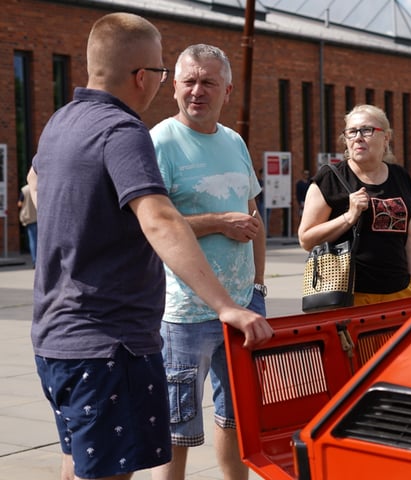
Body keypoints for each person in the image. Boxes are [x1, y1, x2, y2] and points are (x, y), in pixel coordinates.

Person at [27, 13, 273, 480]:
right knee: (108, 471)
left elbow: (36, 179)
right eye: (165, 72)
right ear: (144, 77)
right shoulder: (124, 132)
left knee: (76, 463)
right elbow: (159, 220)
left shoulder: (61, 121)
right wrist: (226, 305)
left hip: (56, 337)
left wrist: (86, 228)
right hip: (107, 344)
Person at [149, 44, 266, 480]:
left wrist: (258, 287)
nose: (198, 91)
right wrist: (217, 222)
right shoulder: (160, 141)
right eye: (189, 81)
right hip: (185, 312)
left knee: (237, 420)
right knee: (175, 431)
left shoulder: (234, 141)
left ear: (227, 90)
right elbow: (152, 224)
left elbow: (253, 215)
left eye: (208, 82)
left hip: (245, 308)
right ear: (173, 86)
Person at [298, 104, 411, 306]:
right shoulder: (330, 179)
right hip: (348, 295)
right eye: (351, 132)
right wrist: (349, 216)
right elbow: (306, 239)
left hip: (400, 292)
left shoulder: (401, 177)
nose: (358, 137)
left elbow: (408, 234)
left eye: (367, 130)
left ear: (386, 138)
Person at [17, 183, 37, 265]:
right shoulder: (39, 187)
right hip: (39, 216)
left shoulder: (24, 190)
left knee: (32, 240)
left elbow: (20, 204)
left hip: (29, 217)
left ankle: (34, 260)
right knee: (40, 240)